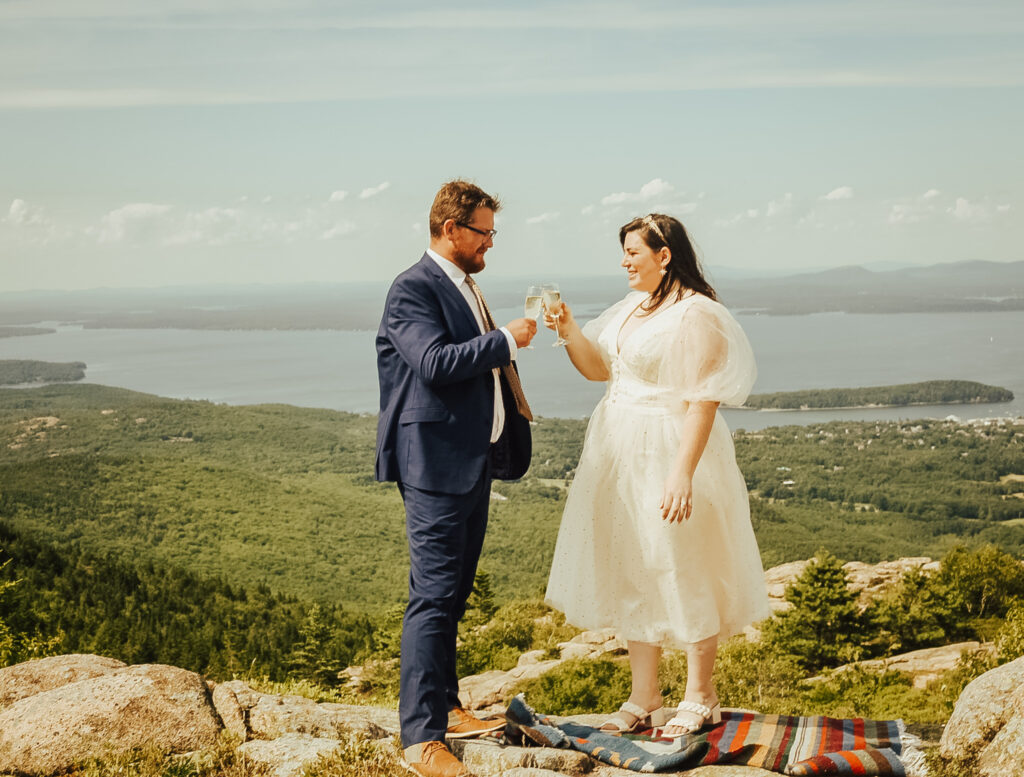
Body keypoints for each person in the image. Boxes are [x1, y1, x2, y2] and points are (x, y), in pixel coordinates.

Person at [543, 213, 771, 738]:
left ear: (663, 255)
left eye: (633, 253)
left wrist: (682, 474)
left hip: (669, 448)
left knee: (681, 563)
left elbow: (703, 399)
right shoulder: (631, 307)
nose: (624, 262)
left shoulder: (697, 315)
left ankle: (701, 694)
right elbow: (601, 370)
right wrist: (570, 329)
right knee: (633, 566)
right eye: (622, 253)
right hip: (617, 448)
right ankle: (644, 695)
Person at [375, 179, 537, 777]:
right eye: (484, 232)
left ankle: (445, 704)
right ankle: (420, 739)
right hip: (435, 465)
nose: (490, 243)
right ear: (451, 229)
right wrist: (504, 340)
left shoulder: (467, 287)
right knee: (433, 597)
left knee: (455, 593)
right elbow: (435, 364)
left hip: (473, 461)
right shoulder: (412, 288)